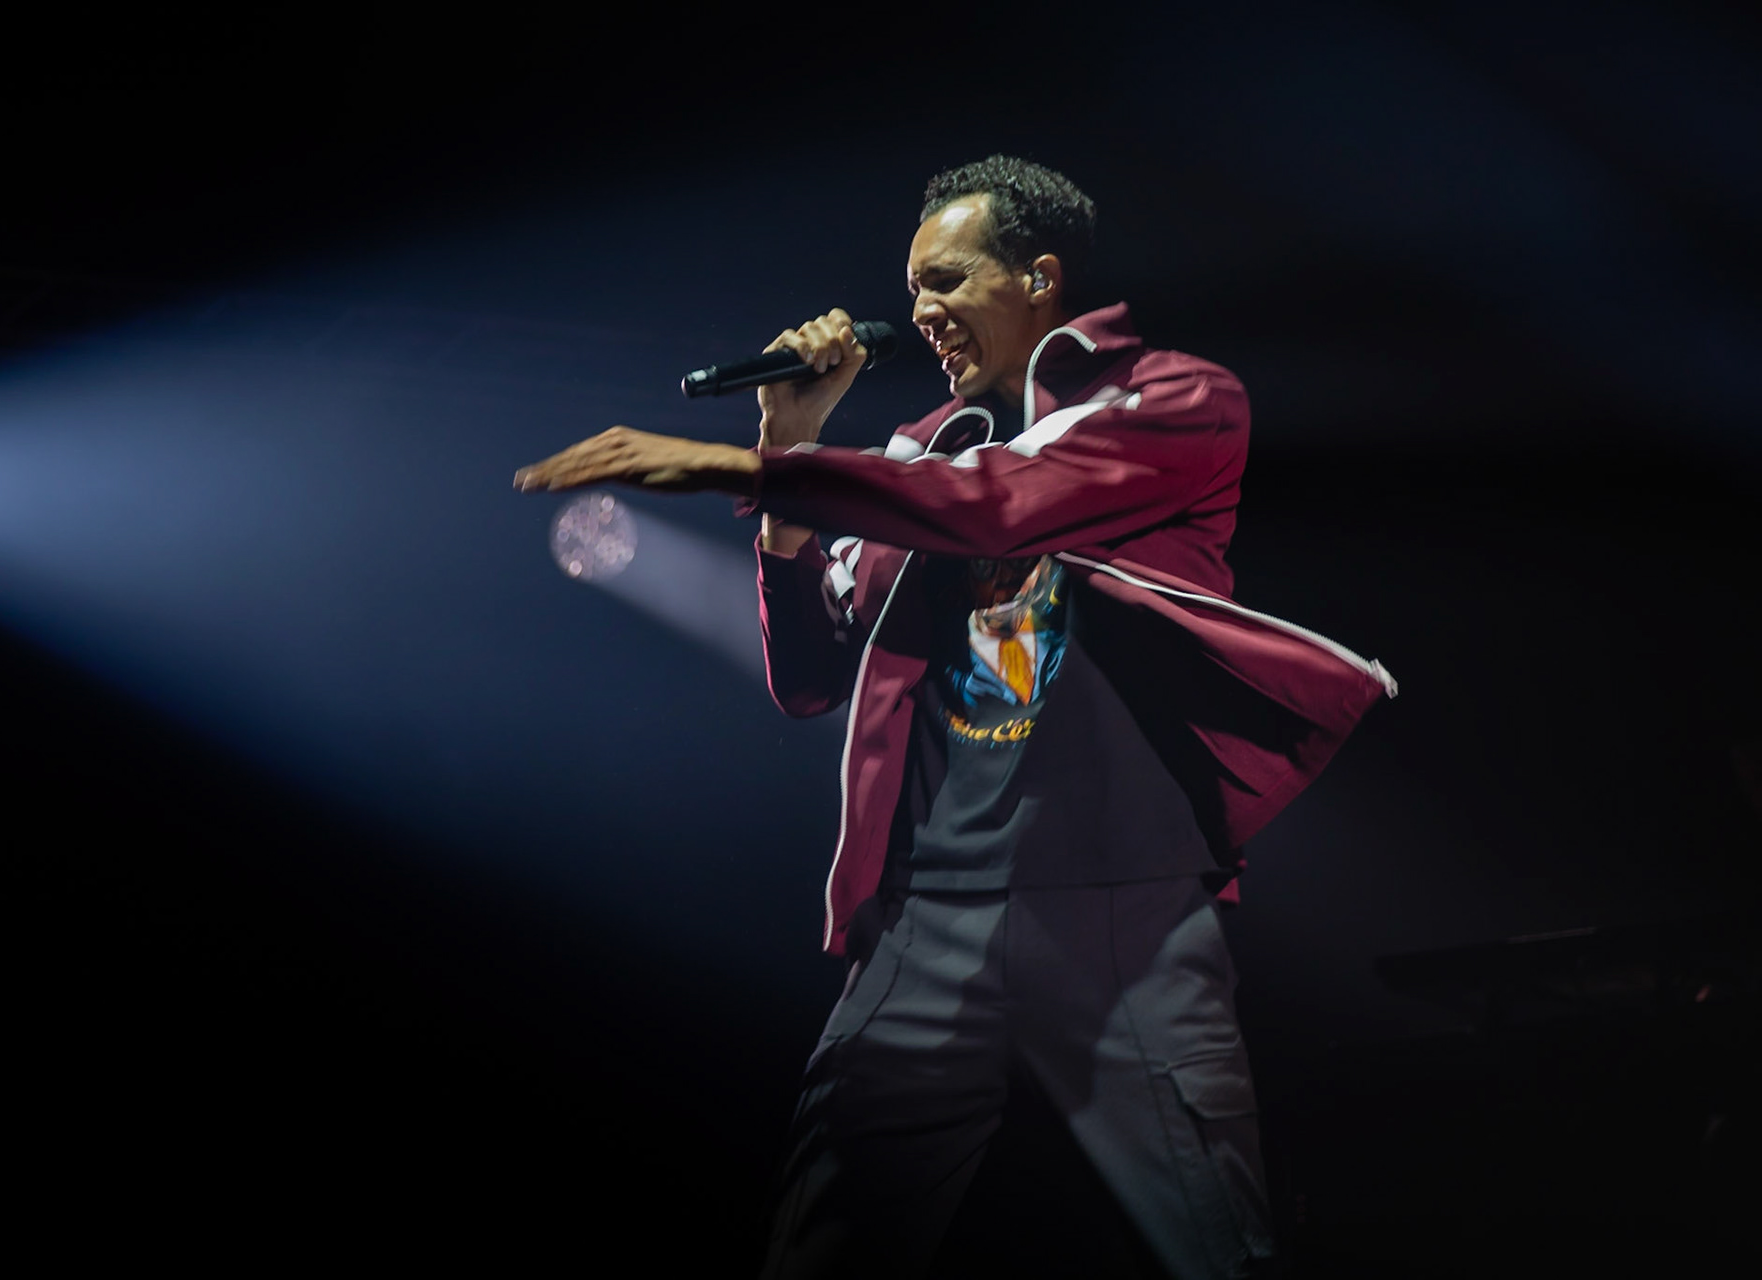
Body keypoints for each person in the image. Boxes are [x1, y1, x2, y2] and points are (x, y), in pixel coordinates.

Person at [514, 155, 1395, 1279]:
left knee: (1217, 1253)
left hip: (1122, 914)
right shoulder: (919, 453)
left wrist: (738, 467)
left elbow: (1007, 503)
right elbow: (808, 681)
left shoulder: (1178, 399)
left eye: (944, 280)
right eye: (912, 285)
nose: (919, 311)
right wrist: (787, 451)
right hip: (925, 923)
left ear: (1039, 274)